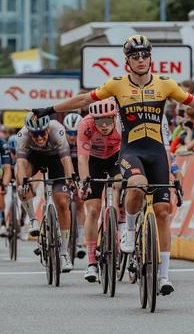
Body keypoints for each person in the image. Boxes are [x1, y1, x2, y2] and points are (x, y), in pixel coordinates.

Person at [32, 35, 194, 295]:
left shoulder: (165, 84)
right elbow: (83, 101)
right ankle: (130, 229)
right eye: (135, 56)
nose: (141, 60)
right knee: (136, 185)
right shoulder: (117, 85)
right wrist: (49, 109)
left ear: (150, 57)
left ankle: (163, 276)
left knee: (162, 212)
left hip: (156, 152)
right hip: (132, 151)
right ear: (128, 62)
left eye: (144, 55)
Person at [16, 112, 76, 272]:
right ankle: (33, 220)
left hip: (56, 159)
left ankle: (64, 252)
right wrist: (22, 183)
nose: (39, 137)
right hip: (34, 158)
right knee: (21, 181)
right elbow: (21, 164)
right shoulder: (22, 135)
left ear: (48, 130)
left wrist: (71, 181)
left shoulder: (58, 130)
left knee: (62, 202)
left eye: (42, 133)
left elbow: (66, 160)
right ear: (29, 133)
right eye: (35, 134)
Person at [76, 100, 122, 282]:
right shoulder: (85, 125)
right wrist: (84, 184)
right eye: (99, 121)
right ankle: (91, 262)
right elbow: (82, 160)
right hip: (93, 161)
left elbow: (130, 150)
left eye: (108, 121)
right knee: (93, 210)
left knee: (119, 184)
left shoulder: (121, 123)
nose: (104, 126)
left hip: (117, 157)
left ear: (114, 117)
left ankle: (121, 222)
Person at [62, 112, 86, 260]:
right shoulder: (61, 142)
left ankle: (79, 242)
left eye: (75, 133)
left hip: (79, 168)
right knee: (60, 199)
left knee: (80, 202)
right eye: (69, 132)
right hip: (63, 168)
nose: (72, 136)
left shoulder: (83, 141)